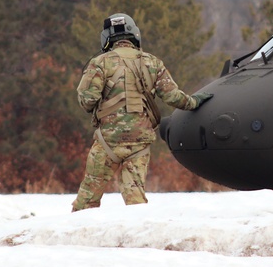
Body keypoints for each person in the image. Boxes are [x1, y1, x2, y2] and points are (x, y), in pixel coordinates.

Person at [72, 13, 212, 211]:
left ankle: (78, 236)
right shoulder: (152, 62)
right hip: (139, 142)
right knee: (135, 200)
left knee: (88, 196)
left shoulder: (99, 63)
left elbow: (87, 101)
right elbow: (173, 97)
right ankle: (138, 238)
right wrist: (195, 102)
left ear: (107, 37)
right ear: (134, 34)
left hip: (107, 142)